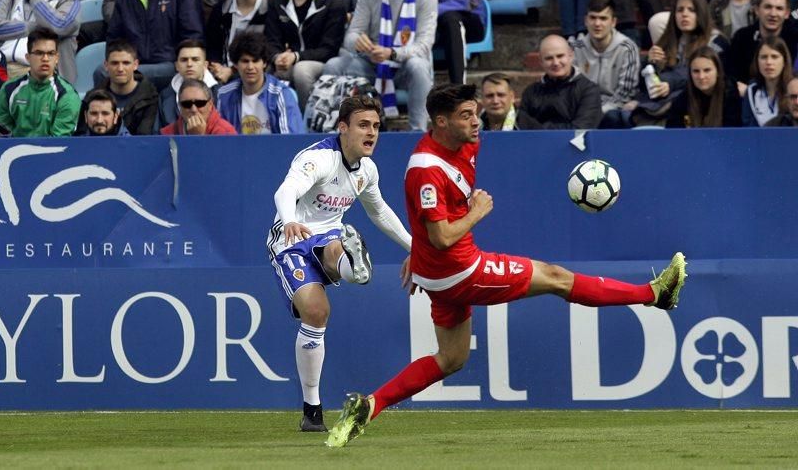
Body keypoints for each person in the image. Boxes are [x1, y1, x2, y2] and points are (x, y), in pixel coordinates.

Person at [325, 83, 688, 448]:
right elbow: (442, 237)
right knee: (556, 278)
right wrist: (474, 215)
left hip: (439, 272)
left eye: (475, 111)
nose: (475, 121)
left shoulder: (467, 143)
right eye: (465, 115)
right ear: (440, 121)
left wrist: (421, 257)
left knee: (452, 358)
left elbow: (431, 232)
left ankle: (369, 406)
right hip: (459, 269)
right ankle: (655, 293)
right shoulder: (426, 169)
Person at [267, 95, 411, 432]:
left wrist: (414, 247)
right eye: (363, 125)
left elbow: (380, 212)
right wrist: (289, 220)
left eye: (376, 126)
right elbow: (284, 192)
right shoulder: (318, 159)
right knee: (317, 313)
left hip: (328, 236)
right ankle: (312, 409)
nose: (371, 132)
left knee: (334, 246)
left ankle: (353, 265)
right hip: (291, 240)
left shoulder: (367, 171)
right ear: (342, 127)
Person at [322, 0, 437, 131]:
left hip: (405, 67)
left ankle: (418, 131)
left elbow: (424, 45)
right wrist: (358, 42)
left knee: (419, 66)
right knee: (333, 66)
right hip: (372, 63)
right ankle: (333, 130)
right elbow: (351, 36)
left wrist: (392, 53)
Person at [102, 0, 204, 91]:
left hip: (170, 64)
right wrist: (121, 62)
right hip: (134, 63)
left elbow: (192, 35)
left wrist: (182, 61)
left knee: (112, 74)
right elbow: (114, 37)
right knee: (102, 72)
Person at [265, 0, 347, 109]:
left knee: (302, 70)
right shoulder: (278, 0)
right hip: (289, 60)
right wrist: (278, 57)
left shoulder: (333, 0)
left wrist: (296, 56)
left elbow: (329, 49)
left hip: (323, 62)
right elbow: (271, 40)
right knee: (263, 67)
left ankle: (306, 121)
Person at [216, 31, 304, 134]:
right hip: (238, 150)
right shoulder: (224, 95)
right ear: (235, 64)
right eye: (245, 61)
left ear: (264, 63)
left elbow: (290, 141)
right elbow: (220, 140)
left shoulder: (281, 93)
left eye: (255, 61)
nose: (250, 67)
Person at [0, 27, 79, 137]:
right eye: (39, 53)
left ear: (57, 58)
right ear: (28, 57)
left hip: (51, 153)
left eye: (50, 53)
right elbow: (3, 133)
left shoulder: (67, 95)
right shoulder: (9, 89)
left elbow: (59, 142)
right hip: (13, 153)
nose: (45, 58)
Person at [570, 0, 640, 116]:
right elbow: (570, 87)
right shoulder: (576, 48)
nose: (597, 24)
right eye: (593, 18)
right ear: (585, 21)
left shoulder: (628, 48)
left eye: (603, 18)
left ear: (613, 22)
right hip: (582, 108)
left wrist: (597, 111)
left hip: (613, 109)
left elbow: (625, 94)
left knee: (615, 117)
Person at [518, 34, 602, 130]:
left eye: (560, 56)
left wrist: (539, 129)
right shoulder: (530, 92)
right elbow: (521, 128)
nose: (556, 63)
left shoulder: (589, 90)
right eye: (549, 58)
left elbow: (582, 129)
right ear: (541, 61)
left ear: (571, 56)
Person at [83, 39, 159, 135]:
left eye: (126, 63)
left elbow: (145, 137)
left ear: (135, 65)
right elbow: (81, 136)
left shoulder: (150, 97)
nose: (120, 69)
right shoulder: (90, 98)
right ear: (106, 65)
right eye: (114, 63)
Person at [0, 0, 80, 84]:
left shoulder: (70, 1)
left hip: (41, 72)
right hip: (2, 66)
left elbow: (61, 26)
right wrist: (32, 27)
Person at [729, 0, 798, 85]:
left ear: (787, 13)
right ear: (757, 10)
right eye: (768, 7)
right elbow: (731, 76)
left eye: (779, 8)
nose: (773, 14)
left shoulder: (795, 39)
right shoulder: (741, 39)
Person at [666, 46, 742, 127]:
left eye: (707, 70)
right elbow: (672, 132)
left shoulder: (730, 94)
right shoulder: (683, 99)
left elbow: (733, 132)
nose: (701, 76)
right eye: (696, 71)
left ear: (718, 72)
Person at [206, 0, 268, 85]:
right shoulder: (222, 8)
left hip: (254, 72)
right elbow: (212, 45)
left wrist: (232, 70)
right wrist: (216, 65)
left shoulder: (268, 10)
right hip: (221, 71)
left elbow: (270, 51)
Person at [159, 39, 220, 128]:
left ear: (205, 65)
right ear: (176, 66)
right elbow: (157, 134)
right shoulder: (165, 96)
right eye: (184, 60)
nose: (189, 64)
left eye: (195, 59)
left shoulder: (220, 93)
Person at [742, 36, 793, 126]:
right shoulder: (751, 91)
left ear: (784, 61)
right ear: (757, 61)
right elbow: (748, 127)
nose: (769, 62)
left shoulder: (794, 89)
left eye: (774, 57)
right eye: (763, 57)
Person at [434, 0, 486, 84]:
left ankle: (459, 88)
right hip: (435, 17)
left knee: (451, 20)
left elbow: (467, 2)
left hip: (467, 15)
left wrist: (433, 9)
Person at [160, 79, 237, 135]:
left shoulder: (226, 133)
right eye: (187, 104)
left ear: (210, 104)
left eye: (200, 103)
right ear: (180, 106)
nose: (194, 109)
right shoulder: (167, 134)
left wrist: (198, 138)